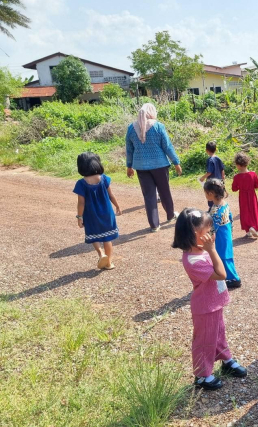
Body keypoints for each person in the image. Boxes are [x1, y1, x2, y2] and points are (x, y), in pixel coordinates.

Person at [172, 208, 247, 391]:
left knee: (219, 333)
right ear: (194, 234)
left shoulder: (200, 250)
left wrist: (209, 250)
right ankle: (202, 375)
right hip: (205, 307)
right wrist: (212, 250)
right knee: (204, 340)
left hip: (214, 302)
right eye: (208, 231)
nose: (212, 234)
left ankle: (226, 359)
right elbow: (222, 274)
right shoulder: (192, 260)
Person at [126, 103, 181, 232]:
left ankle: (154, 225)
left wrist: (129, 166)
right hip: (160, 165)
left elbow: (129, 150)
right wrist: (176, 162)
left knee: (149, 195)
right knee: (164, 191)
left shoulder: (131, 128)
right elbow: (167, 146)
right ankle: (170, 215)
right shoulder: (158, 126)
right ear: (151, 112)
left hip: (141, 167)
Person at [74, 152, 122, 270]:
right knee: (107, 239)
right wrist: (117, 206)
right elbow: (111, 195)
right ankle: (109, 263)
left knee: (93, 235)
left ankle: (101, 254)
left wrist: (79, 217)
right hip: (106, 213)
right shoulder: (104, 178)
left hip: (90, 215)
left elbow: (81, 203)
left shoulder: (81, 183)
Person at [204, 179, 242, 289]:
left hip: (221, 236)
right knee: (226, 256)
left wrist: (208, 237)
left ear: (210, 194)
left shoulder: (216, 210)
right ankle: (228, 276)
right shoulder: (224, 204)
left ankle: (234, 279)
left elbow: (212, 227)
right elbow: (230, 217)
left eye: (205, 193)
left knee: (223, 257)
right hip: (226, 232)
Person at [232, 152, 258, 238]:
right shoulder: (253, 174)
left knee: (245, 212)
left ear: (239, 165)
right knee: (253, 211)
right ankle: (253, 227)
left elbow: (234, 189)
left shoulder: (237, 177)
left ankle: (248, 229)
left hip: (243, 196)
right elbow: (257, 184)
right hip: (252, 195)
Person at [199, 141, 226, 209]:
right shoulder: (218, 158)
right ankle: (220, 209)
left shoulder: (210, 160)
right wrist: (223, 179)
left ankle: (212, 211)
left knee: (211, 196)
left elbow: (209, 172)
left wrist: (202, 178)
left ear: (206, 150)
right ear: (216, 149)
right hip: (219, 182)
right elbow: (222, 170)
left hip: (212, 183)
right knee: (219, 196)